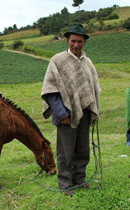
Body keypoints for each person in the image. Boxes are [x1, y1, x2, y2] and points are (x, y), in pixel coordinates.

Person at [41, 24, 100, 196]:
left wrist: (95, 110)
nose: (76, 45)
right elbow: (50, 89)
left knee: (82, 149)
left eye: (80, 41)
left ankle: (79, 179)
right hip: (65, 114)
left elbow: (93, 87)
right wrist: (61, 113)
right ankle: (65, 184)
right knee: (65, 151)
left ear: (85, 42)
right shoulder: (57, 61)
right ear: (67, 40)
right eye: (73, 41)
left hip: (85, 112)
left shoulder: (88, 63)